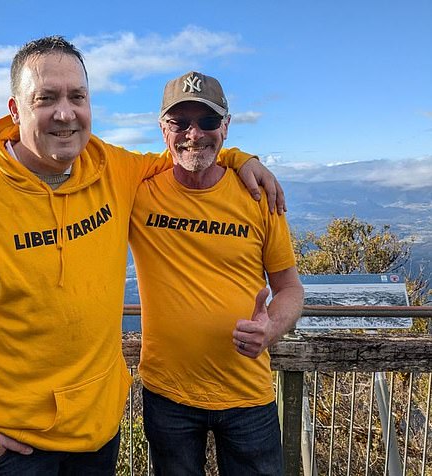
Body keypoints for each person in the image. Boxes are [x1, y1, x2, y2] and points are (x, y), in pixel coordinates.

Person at [0, 36, 285, 476]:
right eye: (46, 98)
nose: (65, 112)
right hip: (14, 445)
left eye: (77, 96)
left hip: (98, 435)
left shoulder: (113, 168)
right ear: (15, 111)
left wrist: (241, 157)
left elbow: (188, 153)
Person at [128, 71, 304, 475]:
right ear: (162, 128)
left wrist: (272, 327)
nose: (194, 133)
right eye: (180, 122)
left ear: (226, 126)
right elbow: (69, 172)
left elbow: (291, 288)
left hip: (248, 397)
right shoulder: (138, 191)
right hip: (167, 397)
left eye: (207, 121)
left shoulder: (258, 197)